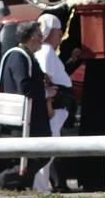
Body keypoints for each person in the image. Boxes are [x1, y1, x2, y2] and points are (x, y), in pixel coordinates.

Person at [0, 21, 53, 191]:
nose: (42, 40)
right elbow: (24, 87)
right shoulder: (18, 56)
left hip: (33, 118)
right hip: (25, 119)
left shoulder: (27, 55)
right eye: (41, 36)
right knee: (40, 155)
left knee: (35, 157)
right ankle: (3, 180)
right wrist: (47, 93)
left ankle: (21, 189)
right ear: (33, 37)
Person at [33, 13, 80, 192]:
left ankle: (44, 186)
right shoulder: (45, 52)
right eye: (58, 33)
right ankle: (40, 187)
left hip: (57, 109)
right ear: (50, 32)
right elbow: (46, 81)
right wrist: (49, 106)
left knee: (52, 149)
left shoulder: (48, 52)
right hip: (53, 110)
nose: (60, 37)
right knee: (48, 149)